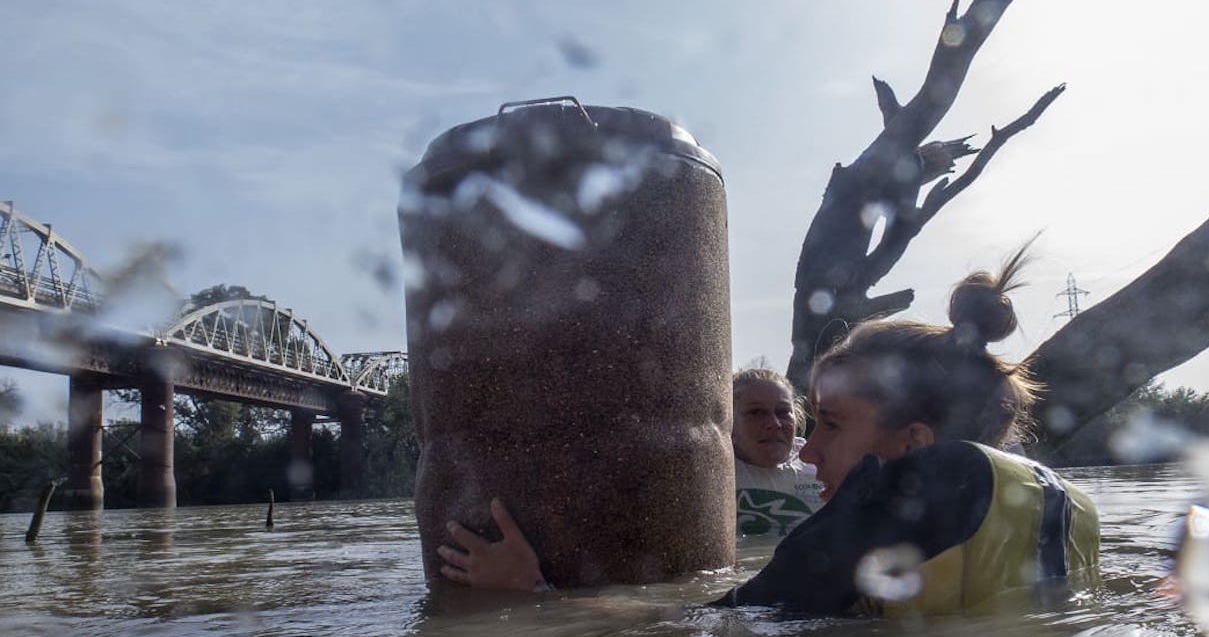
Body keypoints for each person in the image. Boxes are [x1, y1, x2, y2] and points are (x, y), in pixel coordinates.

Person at [438, 246, 1101, 615]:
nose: (806, 448)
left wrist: (535, 596)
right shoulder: (1062, 500)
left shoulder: (911, 492)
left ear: (915, 444)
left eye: (830, 425)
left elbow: (701, 631)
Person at [730, 368, 823, 536]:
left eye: (783, 412)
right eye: (756, 412)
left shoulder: (820, 465)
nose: (774, 423)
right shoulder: (713, 471)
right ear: (729, 423)